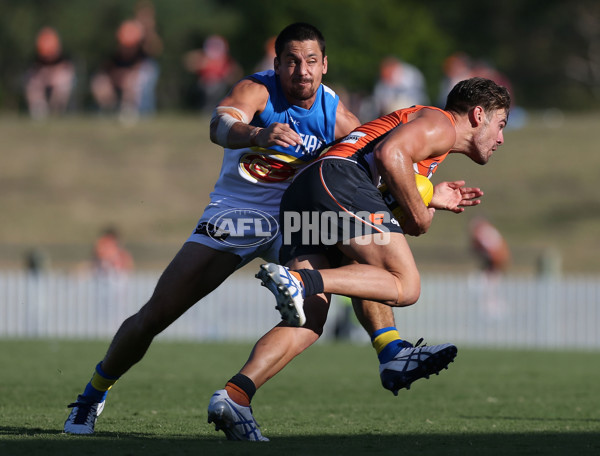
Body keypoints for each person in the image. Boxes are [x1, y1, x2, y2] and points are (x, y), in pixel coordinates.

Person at [63, 22, 360, 439]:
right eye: (291, 61)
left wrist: (427, 193)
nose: (302, 70)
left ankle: (239, 397)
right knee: (157, 314)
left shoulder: (337, 114)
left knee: (326, 300)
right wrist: (259, 133)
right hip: (238, 214)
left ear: (325, 65)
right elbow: (219, 124)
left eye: (311, 61)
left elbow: (375, 161)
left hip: (292, 221)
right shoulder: (258, 89)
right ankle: (93, 394)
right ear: (276, 64)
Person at [256, 78, 510, 389]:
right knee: (406, 284)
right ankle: (299, 281)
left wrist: (428, 197)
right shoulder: (442, 125)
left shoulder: (427, 140)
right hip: (338, 179)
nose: (501, 138)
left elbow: (388, 180)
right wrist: (420, 216)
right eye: (501, 124)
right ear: (478, 115)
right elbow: (391, 155)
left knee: (309, 318)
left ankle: (235, 396)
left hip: (305, 191)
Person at [90, 18, 160, 122]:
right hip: (117, 88)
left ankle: (132, 113)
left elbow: (155, 48)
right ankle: (109, 111)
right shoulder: (114, 56)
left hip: (138, 98)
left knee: (132, 81)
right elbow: (105, 73)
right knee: (99, 83)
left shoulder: (145, 57)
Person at [24, 27, 76, 120]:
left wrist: (52, 75)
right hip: (42, 86)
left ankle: (56, 111)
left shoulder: (64, 58)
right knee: (32, 85)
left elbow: (69, 73)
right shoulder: (35, 59)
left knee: (63, 82)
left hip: (57, 89)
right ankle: (39, 110)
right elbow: (32, 76)